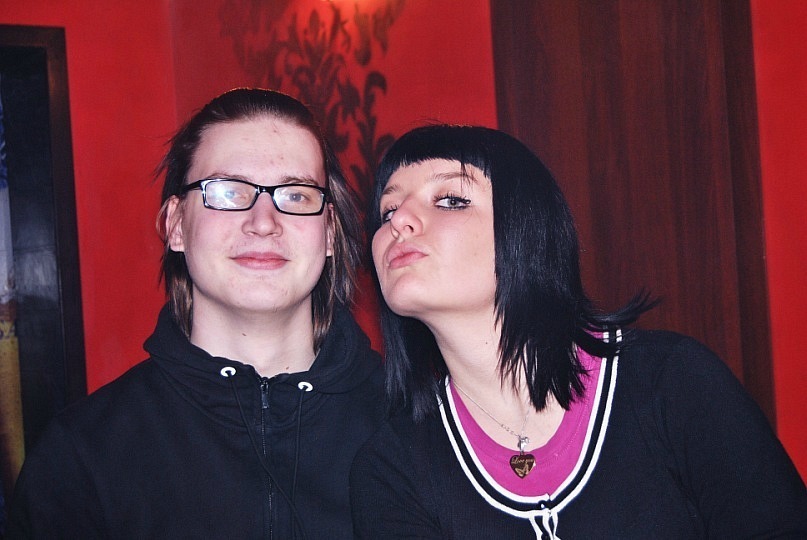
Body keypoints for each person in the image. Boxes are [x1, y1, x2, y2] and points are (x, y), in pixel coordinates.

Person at [350, 124, 807, 538]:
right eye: (387, 210)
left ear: (526, 230)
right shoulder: (391, 469)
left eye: (450, 199)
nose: (399, 221)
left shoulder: (674, 381)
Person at [8, 88, 384, 539]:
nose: (264, 221)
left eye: (297, 195)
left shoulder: (414, 423)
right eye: (227, 192)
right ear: (176, 225)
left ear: (329, 233)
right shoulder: (80, 458)